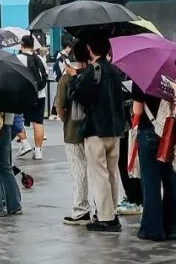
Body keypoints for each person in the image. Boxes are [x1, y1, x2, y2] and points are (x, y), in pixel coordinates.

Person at [70, 37, 127, 233]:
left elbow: (78, 95)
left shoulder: (93, 71)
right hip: (115, 130)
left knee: (99, 175)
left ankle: (105, 218)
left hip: (96, 130)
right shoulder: (114, 70)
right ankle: (112, 213)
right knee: (111, 173)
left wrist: (74, 79)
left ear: (90, 48)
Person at [132, 82, 176, 241]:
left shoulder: (143, 76)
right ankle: (172, 227)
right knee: (171, 180)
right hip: (170, 132)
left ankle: (152, 229)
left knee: (151, 182)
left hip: (149, 131)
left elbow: (137, 110)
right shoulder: (173, 73)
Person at [55, 51, 91, 225]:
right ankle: (103, 210)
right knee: (99, 172)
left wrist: (65, 118)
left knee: (79, 170)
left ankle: (81, 209)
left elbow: (60, 107)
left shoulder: (66, 79)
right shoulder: (95, 77)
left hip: (73, 130)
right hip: (94, 131)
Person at [16, 35, 48, 160]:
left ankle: (25, 143)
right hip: (40, 94)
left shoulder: (18, 58)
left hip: (24, 95)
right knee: (38, 122)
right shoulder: (40, 58)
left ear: (22, 44)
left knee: (17, 119)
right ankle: (38, 151)